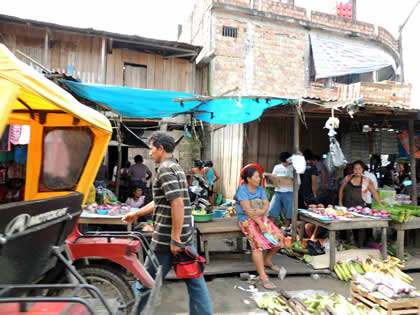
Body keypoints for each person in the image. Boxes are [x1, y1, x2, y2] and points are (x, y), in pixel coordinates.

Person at [121, 132, 213, 315]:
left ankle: (130, 312)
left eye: (151, 148)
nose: (149, 153)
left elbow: (177, 202)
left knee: (144, 281)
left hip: (167, 240)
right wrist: (137, 213)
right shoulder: (176, 167)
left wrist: (175, 239)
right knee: (195, 279)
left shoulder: (165, 169)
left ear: (161, 148)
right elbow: (161, 200)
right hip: (183, 236)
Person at [235, 167, 285, 290]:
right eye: (256, 177)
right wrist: (260, 223)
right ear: (248, 179)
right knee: (257, 245)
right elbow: (246, 210)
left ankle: (267, 260)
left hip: (261, 218)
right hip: (246, 220)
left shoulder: (260, 189)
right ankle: (263, 276)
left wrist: (262, 211)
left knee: (280, 238)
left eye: (259, 176)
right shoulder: (242, 190)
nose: (259, 179)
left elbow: (266, 203)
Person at [267, 152, 293, 227]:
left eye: (286, 162)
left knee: (289, 215)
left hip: (289, 192)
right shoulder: (277, 167)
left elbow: (298, 182)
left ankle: (285, 229)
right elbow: (273, 178)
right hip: (278, 192)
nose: (284, 164)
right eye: (283, 162)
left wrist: (289, 180)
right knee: (271, 211)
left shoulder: (294, 169)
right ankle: (270, 229)